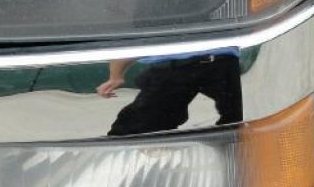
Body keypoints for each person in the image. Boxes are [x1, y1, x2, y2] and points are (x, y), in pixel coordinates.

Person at [97, 49, 242, 136]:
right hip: (171, 68)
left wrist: (116, 75)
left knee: (238, 127)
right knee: (130, 129)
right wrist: (115, 76)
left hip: (220, 61)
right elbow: (132, 38)